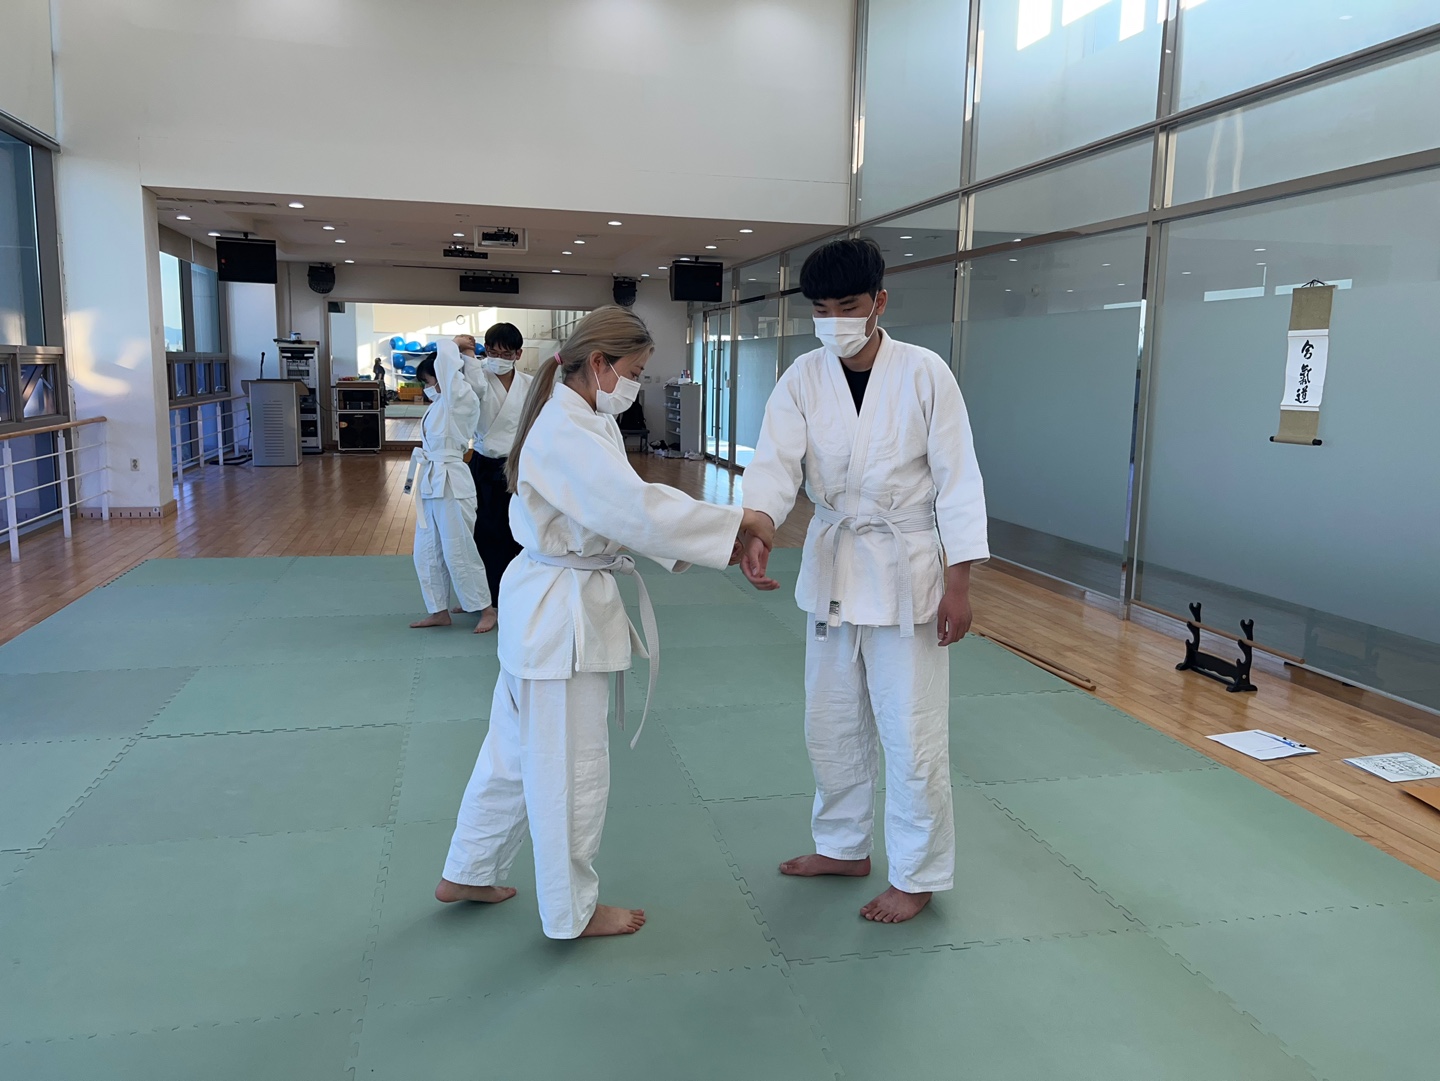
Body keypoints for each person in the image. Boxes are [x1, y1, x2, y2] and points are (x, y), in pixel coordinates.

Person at [435, 305, 774, 939]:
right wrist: (738, 521)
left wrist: (719, 537)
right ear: (599, 363)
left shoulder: (580, 417)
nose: (636, 385)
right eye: (635, 372)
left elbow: (624, 510)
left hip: (542, 608)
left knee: (512, 753)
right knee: (569, 768)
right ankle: (571, 911)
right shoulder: (566, 428)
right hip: (559, 619)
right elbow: (634, 507)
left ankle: (470, 869)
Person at [737, 238, 988, 925]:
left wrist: (960, 584)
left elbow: (959, 481)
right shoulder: (802, 377)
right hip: (832, 566)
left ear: (879, 301)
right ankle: (843, 846)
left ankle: (917, 873)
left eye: (846, 306)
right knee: (831, 720)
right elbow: (774, 465)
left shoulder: (925, 373)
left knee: (911, 732)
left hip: (907, 572)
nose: (833, 321)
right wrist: (757, 528)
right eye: (820, 310)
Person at [407, 340, 494, 633]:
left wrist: (454, 345)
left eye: (429, 381)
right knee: (426, 551)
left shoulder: (460, 397)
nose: (427, 388)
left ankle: (486, 608)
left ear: (443, 376)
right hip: (432, 480)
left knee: (459, 549)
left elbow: (449, 367)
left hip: (452, 482)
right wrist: (464, 353)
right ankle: (438, 610)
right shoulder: (440, 404)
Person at [456, 323, 533, 619]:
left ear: (518, 354)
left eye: (506, 353)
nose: (498, 358)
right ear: (485, 350)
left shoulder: (530, 384)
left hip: (518, 465)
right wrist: (462, 350)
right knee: (484, 532)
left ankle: (516, 595)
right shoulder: (476, 376)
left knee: (518, 532)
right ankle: (484, 598)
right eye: (493, 352)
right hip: (484, 463)